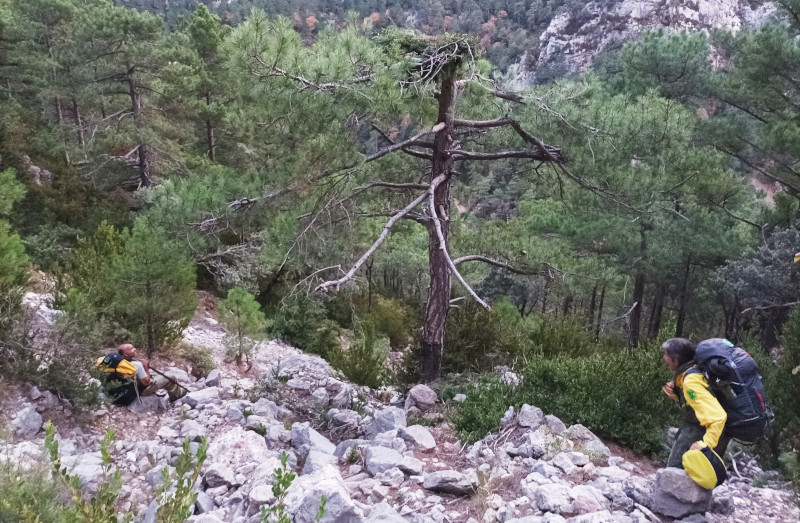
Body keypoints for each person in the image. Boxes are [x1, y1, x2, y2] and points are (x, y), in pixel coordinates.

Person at [662, 337, 730, 468]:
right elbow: (700, 401)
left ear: (674, 360)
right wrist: (677, 394)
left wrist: (705, 445)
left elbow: (717, 417)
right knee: (697, 481)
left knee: (675, 474)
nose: (664, 358)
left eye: (666, 355)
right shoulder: (694, 371)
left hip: (701, 433)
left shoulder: (691, 381)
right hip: (715, 434)